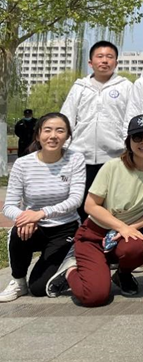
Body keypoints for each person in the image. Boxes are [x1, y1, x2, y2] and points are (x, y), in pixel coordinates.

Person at [47, 114, 143, 306]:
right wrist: (121, 227)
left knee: (137, 248)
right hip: (94, 234)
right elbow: (90, 205)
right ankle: (70, 270)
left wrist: (130, 229)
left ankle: (122, 275)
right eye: (137, 137)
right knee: (95, 296)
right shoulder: (113, 167)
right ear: (129, 141)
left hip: (123, 236)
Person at [1, 114, 85, 302]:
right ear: (38, 135)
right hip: (33, 227)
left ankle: (70, 259)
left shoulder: (75, 159)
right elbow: (9, 206)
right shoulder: (23, 164)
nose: (53, 136)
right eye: (47, 130)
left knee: (39, 289)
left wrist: (39, 214)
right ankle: (18, 281)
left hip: (64, 229)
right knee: (18, 231)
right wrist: (26, 217)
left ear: (67, 136)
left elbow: (75, 200)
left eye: (60, 131)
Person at [61, 40, 132, 219]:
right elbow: (67, 119)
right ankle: (81, 235)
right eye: (100, 56)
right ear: (90, 62)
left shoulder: (126, 86)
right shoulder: (79, 87)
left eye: (109, 57)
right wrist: (64, 149)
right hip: (80, 156)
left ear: (116, 62)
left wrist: (128, 148)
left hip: (114, 157)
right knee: (81, 202)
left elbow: (130, 120)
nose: (104, 60)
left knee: (111, 203)